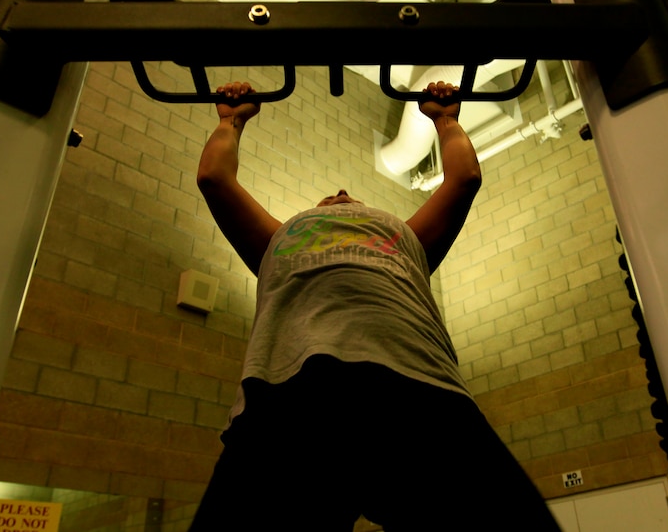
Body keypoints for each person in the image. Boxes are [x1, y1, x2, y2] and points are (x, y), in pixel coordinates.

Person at [190, 80, 561, 531]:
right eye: (330, 198)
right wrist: (231, 119)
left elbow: (464, 178)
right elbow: (214, 177)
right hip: (291, 391)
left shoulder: (404, 239)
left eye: (350, 198)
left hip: (419, 389)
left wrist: (445, 119)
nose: (342, 192)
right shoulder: (279, 240)